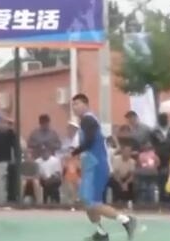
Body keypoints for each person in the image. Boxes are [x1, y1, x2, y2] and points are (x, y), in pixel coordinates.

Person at [70, 94, 137, 240]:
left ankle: (126, 220)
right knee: (86, 201)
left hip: (97, 166)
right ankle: (100, 233)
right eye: (73, 104)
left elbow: (89, 141)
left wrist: (74, 152)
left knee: (93, 203)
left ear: (86, 105)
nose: (74, 107)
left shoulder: (88, 119)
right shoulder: (86, 121)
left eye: (77, 103)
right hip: (91, 166)